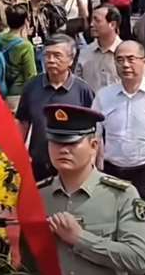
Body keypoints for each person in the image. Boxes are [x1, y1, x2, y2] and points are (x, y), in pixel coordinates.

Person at [38, 104, 145, 275]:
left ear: (94, 145)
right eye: (56, 141)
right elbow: (28, 266)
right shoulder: (39, 196)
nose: (63, 149)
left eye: (72, 142)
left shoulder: (121, 195)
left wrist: (80, 239)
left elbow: (139, 260)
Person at [93, 40, 145, 275]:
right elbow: (94, 138)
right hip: (113, 175)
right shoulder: (104, 96)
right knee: (114, 236)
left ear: (144, 62)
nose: (126, 65)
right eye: (120, 59)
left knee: (144, 237)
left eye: (131, 59)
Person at [16, 34, 94, 181]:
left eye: (57, 56)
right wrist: (18, 153)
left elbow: (93, 131)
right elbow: (23, 122)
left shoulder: (83, 91)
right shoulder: (32, 86)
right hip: (39, 164)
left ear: (71, 60)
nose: (51, 60)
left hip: (72, 166)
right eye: (47, 55)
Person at [0, 4, 37, 111]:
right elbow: (31, 75)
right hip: (18, 92)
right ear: (25, 21)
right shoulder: (26, 46)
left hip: (0, 87)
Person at [76, 4, 122, 92]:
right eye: (91, 20)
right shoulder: (85, 52)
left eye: (97, 20)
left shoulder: (128, 53)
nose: (91, 24)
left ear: (112, 24)